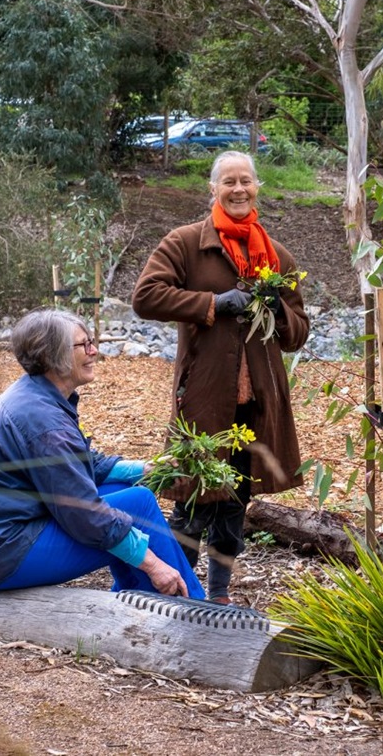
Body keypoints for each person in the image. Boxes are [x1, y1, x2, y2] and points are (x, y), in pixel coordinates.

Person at [131, 150, 310, 605]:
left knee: (234, 502)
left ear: (257, 188)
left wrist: (278, 311)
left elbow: (298, 333)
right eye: (228, 182)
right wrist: (213, 304)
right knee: (193, 495)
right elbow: (146, 297)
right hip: (204, 398)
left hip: (256, 403)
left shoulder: (275, 256)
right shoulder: (186, 243)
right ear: (212, 189)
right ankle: (173, 590)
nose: (237, 189)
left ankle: (219, 595)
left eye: (245, 181)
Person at [0, 308, 205, 599]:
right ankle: (197, 613)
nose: (94, 351)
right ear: (53, 354)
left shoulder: (35, 395)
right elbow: (83, 514)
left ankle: (137, 601)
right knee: (138, 504)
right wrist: (155, 565)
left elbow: (79, 464)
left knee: (124, 489)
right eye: (84, 344)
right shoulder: (45, 422)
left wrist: (144, 469)